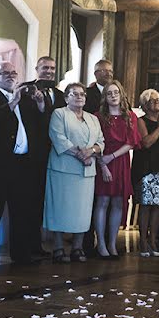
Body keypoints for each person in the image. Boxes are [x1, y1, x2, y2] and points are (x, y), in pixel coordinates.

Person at [0, 62, 49, 265]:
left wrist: (41, 105)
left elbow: (39, 124)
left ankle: (21, 252)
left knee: (22, 209)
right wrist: (12, 102)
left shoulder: (26, 98)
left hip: (24, 162)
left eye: (13, 73)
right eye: (4, 73)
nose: (10, 76)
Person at [43, 82, 104, 264]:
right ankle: (58, 247)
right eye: (74, 94)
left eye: (82, 94)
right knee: (60, 209)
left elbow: (101, 141)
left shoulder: (93, 118)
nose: (79, 97)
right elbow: (58, 138)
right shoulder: (59, 114)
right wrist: (80, 154)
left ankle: (77, 248)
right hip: (63, 169)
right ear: (66, 97)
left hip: (86, 171)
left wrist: (91, 151)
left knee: (82, 212)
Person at [94, 81, 140, 260]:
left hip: (119, 160)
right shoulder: (97, 116)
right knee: (103, 202)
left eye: (116, 92)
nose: (113, 96)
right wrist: (103, 164)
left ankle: (113, 243)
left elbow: (131, 142)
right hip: (102, 161)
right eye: (109, 93)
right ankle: (101, 244)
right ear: (105, 97)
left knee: (118, 203)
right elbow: (95, 142)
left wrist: (111, 157)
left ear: (121, 95)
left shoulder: (130, 116)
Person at [133, 89, 159, 257]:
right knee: (147, 205)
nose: (158, 102)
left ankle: (153, 240)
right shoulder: (141, 121)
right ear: (145, 105)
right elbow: (147, 143)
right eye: (154, 100)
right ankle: (143, 241)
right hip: (147, 167)